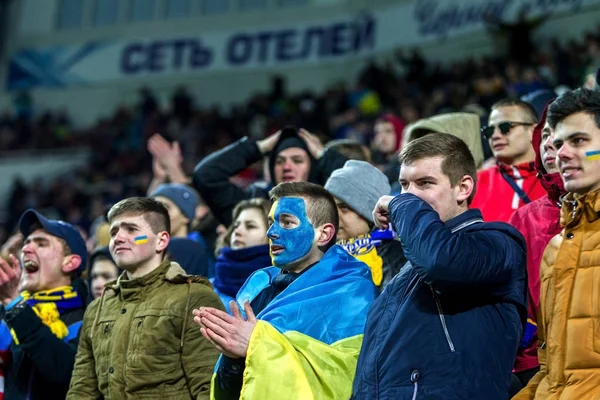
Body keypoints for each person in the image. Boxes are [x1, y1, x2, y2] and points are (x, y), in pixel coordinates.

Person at [352, 133, 527, 399]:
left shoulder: (499, 243)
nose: (409, 196)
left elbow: (440, 262)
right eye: (403, 185)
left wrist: (401, 204)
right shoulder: (407, 270)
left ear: (463, 188)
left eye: (424, 183)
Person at [193, 182, 377, 399]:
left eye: (287, 223)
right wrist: (233, 360)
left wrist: (257, 343)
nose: (271, 232)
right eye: (271, 223)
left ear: (324, 234)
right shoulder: (259, 285)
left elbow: (345, 375)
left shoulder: (352, 291)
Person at [67, 197, 224, 399]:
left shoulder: (194, 298)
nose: (118, 238)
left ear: (161, 240)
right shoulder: (97, 308)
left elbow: (209, 388)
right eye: (114, 232)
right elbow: (82, 390)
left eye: (131, 230)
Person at [514, 88, 600, 399]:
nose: (560, 152)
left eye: (579, 141)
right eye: (558, 142)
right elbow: (552, 370)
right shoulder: (556, 248)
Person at [508, 100, 565, 396]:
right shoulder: (524, 216)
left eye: (563, 135)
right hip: (533, 357)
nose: (550, 144)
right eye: (544, 135)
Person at [0, 209, 88, 400]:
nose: (26, 249)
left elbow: (65, 372)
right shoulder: (7, 313)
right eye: (27, 242)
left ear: (70, 263)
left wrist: (16, 307)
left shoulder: (87, 319)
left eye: (41, 244)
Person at [193, 126, 348, 226]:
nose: (287, 167)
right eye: (279, 161)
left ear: (312, 168)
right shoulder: (255, 204)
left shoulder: (329, 205)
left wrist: (323, 155)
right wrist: (260, 147)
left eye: (297, 160)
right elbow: (205, 176)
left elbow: (360, 189)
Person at [325, 160, 406, 290]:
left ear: (370, 214)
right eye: (330, 207)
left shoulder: (393, 259)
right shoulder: (322, 251)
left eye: (344, 207)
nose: (333, 215)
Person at [471, 99, 547, 222]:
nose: (495, 136)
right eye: (489, 131)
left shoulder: (556, 178)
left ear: (533, 131)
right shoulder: (475, 184)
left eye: (505, 127)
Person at [211, 198, 271, 311]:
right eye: (235, 225)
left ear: (272, 234)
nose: (237, 231)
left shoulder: (281, 291)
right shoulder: (205, 289)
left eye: (250, 226)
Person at [151, 183, 214, 276]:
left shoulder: (193, 248)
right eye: (152, 209)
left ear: (185, 216)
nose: (156, 214)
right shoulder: (144, 239)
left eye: (166, 207)